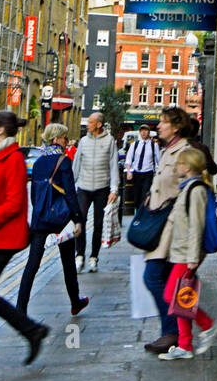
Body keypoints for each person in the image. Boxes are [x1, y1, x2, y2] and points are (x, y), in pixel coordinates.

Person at [0, 111, 48, 366]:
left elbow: (15, 203)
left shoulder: (13, 159)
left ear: (1, 130)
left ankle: (31, 330)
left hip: (4, 236)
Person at [17, 122, 89, 319]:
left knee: (32, 264)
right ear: (57, 139)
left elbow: (35, 193)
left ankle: (20, 307)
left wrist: (37, 214)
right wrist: (77, 219)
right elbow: (70, 194)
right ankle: (75, 302)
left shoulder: (39, 162)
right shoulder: (63, 161)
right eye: (65, 138)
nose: (67, 141)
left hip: (41, 218)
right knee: (68, 263)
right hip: (61, 219)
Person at [159, 147, 217, 360]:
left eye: (179, 163)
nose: (176, 167)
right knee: (182, 297)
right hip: (181, 253)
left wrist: (193, 258)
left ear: (187, 166)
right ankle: (185, 346)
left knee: (172, 296)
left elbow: (197, 226)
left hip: (187, 255)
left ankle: (208, 325)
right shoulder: (188, 188)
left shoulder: (196, 190)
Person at [142, 106, 191, 354]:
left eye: (163, 122)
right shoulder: (167, 150)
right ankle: (175, 332)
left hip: (174, 229)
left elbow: (191, 192)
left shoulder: (185, 152)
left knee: (153, 277)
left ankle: (172, 331)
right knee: (171, 281)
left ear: (176, 127)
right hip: (161, 226)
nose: (158, 126)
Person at [73, 111, 119, 273]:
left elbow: (114, 166)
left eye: (91, 122)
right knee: (80, 220)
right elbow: (76, 164)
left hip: (102, 187)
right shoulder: (83, 141)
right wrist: (71, 185)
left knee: (99, 223)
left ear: (99, 125)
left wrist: (114, 189)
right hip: (84, 187)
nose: (87, 125)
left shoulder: (109, 141)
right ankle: (79, 256)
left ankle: (94, 257)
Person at [125, 124, 159, 210]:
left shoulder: (153, 145)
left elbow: (158, 160)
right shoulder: (135, 144)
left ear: (149, 132)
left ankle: (142, 215)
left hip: (148, 173)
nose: (143, 132)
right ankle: (137, 214)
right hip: (137, 173)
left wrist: (157, 174)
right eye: (142, 131)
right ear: (140, 132)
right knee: (136, 196)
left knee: (145, 196)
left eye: (145, 130)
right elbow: (129, 159)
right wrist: (129, 171)